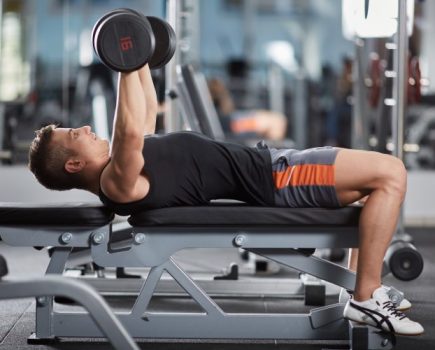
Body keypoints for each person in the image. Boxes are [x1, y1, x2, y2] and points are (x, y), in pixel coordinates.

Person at [28, 64, 423, 336]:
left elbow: (143, 111)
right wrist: (124, 61)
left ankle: (361, 288)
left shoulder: (124, 165)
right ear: (75, 163)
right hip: (278, 177)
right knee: (390, 174)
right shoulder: (118, 183)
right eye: (73, 134)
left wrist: (137, 57)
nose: (83, 127)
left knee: (375, 188)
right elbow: (129, 130)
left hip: (276, 166)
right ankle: (367, 297)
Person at [208, 77, 287, 141]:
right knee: (277, 121)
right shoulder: (226, 120)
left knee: (277, 121)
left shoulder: (217, 116)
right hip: (232, 127)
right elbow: (236, 125)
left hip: (232, 124)